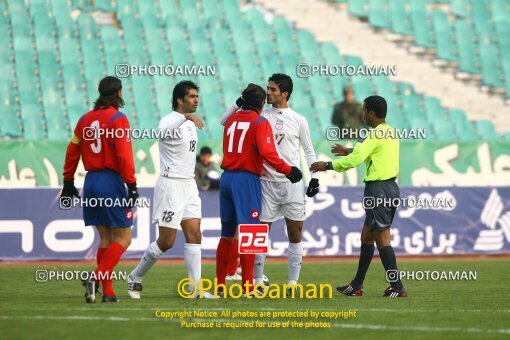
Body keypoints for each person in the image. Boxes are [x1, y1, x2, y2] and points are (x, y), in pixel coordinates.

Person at [220, 73, 320, 294]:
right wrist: (239, 101)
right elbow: (226, 120)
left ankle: (293, 283)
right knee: (259, 234)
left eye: (273, 89)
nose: (269, 93)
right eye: (268, 89)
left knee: (295, 232)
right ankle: (256, 281)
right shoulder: (259, 115)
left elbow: (308, 150)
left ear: (285, 93)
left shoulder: (299, 119)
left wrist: (315, 177)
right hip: (265, 183)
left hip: (292, 185)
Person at [310, 95, 407, 298]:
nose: (362, 114)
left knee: (382, 239)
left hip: (377, 189)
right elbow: (370, 152)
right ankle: (357, 285)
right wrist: (349, 150)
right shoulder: (391, 132)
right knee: (367, 236)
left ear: (371, 113)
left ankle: (397, 286)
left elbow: (356, 160)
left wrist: (326, 165)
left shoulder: (371, 135)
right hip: (391, 188)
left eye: (364, 111)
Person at [127, 81, 217, 299]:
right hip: (171, 185)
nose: (196, 100)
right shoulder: (170, 120)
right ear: (180, 100)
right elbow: (162, 131)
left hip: (189, 185)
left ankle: (194, 288)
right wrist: (185, 117)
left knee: (195, 235)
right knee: (166, 242)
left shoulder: (188, 123)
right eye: (192, 96)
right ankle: (134, 278)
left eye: (197, 96)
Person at [60, 76, 139, 303]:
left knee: (105, 238)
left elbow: (72, 150)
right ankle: (95, 278)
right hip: (110, 181)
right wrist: (131, 184)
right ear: (119, 93)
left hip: (91, 182)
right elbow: (124, 154)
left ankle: (108, 293)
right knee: (124, 238)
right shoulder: (118, 119)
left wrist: (68, 181)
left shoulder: (84, 119)